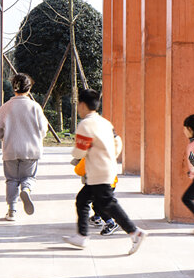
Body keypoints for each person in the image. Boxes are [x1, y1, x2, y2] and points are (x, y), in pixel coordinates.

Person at [62, 89, 145, 254]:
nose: (78, 108)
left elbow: (79, 151)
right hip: (105, 170)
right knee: (83, 200)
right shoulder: (104, 122)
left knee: (108, 204)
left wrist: (75, 154)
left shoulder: (85, 124)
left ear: (83, 105)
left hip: (98, 173)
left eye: (78, 104)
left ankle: (135, 232)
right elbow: (116, 142)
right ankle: (82, 236)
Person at [0, 72, 49, 220]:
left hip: (11, 149)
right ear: (29, 89)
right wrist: (37, 137)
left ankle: (12, 211)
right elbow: (43, 129)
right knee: (28, 176)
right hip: (31, 150)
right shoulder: (35, 107)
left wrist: (1, 136)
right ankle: (27, 189)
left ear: (13, 88)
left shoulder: (6, 107)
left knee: (11, 180)